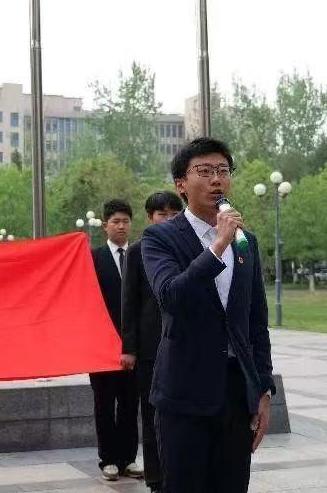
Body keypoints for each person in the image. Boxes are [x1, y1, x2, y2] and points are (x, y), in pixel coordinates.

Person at [141, 137, 275, 493]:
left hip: (235, 394)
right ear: (181, 184)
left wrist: (263, 389)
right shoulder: (160, 238)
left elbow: (255, 322)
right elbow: (172, 296)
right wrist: (218, 245)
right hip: (184, 394)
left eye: (223, 171)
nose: (217, 179)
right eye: (204, 171)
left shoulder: (246, 242)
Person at [121, 191, 184, 493]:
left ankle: (180, 473)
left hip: (183, 343)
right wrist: (129, 348)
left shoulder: (189, 247)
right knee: (151, 414)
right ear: (150, 218)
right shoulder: (137, 251)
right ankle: (156, 477)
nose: (169, 219)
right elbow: (129, 303)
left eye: (174, 214)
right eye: (162, 214)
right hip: (149, 349)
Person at [90, 199, 143, 482]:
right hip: (101, 347)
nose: (121, 226)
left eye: (125, 221)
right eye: (116, 221)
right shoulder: (93, 258)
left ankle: (128, 458)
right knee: (104, 404)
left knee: (129, 404)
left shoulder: (140, 255)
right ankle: (108, 459)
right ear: (105, 226)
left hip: (133, 346)